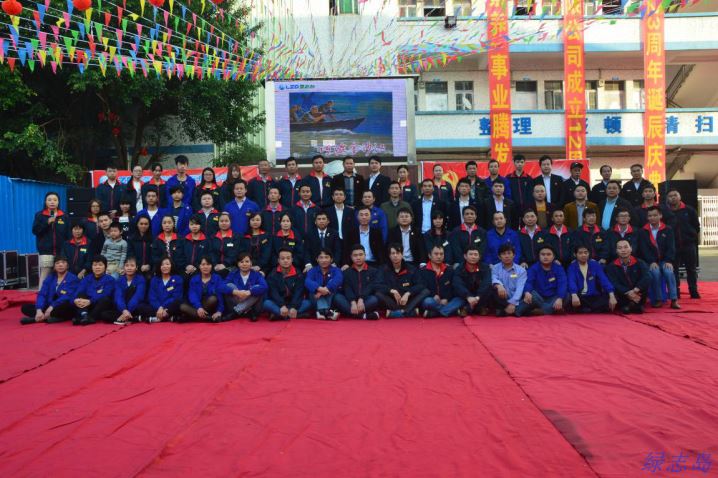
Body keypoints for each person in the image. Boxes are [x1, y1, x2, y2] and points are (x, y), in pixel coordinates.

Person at [638, 206, 680, 309]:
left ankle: (674, 299)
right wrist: (651, 261)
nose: (652, 218)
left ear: (660, 216)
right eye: (650, 216)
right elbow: (643, 249)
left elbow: (671, 247)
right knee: (655, 273)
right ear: (647, 217)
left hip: (665, 260)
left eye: (655, 215)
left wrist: (669, 260)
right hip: (651, 261)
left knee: (669, 272)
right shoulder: (643, 231)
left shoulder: (668, 229)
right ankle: (658, 299)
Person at [20, 256, 78, 325]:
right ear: (54, 267)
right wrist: (39, 309)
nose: (60, 265)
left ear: (67, 265)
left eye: (63, 263)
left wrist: (52, 306)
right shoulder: (50, 277)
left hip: (61, 305)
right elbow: (42, 294)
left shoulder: (73, 278)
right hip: (49, 306)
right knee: (25, 307)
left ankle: (36, 319)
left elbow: (67, 296)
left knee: (67, 306)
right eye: (57, 263)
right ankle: (48, 317)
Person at [378, 243, 430, 318]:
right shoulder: (383, 269)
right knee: (378, 293)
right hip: (392, 301)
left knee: (425, 291)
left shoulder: (411, 269)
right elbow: (377, 285)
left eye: (398, 253)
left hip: (408, 301)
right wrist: (391, 291)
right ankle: (409, 312)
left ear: (402, 254)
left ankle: (398, 313)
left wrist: (408, 293)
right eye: (393, 253)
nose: (395, 255)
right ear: (389, 256)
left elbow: (421, 284)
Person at [666, 189, 700, 299]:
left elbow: (696, 226)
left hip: (688, 245)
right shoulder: (666, 212)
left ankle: (693, 290)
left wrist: (691, 236)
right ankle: (676, 292)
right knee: (674, 270)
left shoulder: (689, 210)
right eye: (670, 196)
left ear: (680, 197)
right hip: (673, 246)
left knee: (691, 269)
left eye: (675, 195)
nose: (673, 198)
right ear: (667, 199)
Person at [335, 244, 384, 319]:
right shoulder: (346, 272)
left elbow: (370, 287)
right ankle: (363, 315)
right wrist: (353, 302)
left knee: (375, 299)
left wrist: (361, 299)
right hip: (350, 301)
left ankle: (352, 314)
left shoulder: (373, 271)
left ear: (365, 255)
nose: (358, 258)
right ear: (351, 257)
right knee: (337, 297)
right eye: (355, 255)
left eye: (361, 255)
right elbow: (347, 288)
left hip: (366, 300)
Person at [516, 246, 567, 317]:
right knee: (531, 294)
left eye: (548, 254)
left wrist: (560, 298)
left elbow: (562, 284)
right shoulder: (533, 268)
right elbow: (528, 282)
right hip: (538, 297)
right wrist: (527, 292)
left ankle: (541, 311)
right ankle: (549, 310)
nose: (545, 257)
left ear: (553, 257)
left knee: (567, 295)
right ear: (539, 256)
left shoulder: (559, 268)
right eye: (543, 254)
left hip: (553, 297)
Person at [33, 191, 70, 285]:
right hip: (46, 251)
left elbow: (68, 234)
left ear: (58, 202)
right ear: (45, 202)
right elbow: (35, 231)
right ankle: (42, 293)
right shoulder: (40, 215)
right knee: (45, 274)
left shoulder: (64, 216)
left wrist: (67, 249)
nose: (52, 202)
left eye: (55, 200)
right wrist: (47, 223)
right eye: (49, 200)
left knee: (61, 275)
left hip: (61, 251)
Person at [263, 248, 311, 321]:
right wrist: (282, 305)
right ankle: (296, 315)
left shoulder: (298, 274)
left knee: (308, 303)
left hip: (293, 303)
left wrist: (294, 307)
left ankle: (280, 315)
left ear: (292, 260)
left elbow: (299, 292)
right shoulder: (272, 274)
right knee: (266, 303)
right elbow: (273, 293)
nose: (285, 260)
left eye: (288, 258)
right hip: (278, 304)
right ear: (278, 260)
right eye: (282, 258)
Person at [605, 239, 651, 314]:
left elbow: (647, 276)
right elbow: (614, 282)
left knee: (645, 283)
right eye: (620, 248)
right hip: (623, 295)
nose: (623, 250)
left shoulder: (640, 262)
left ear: (631, 248)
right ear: (616, 251)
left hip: (638, 293)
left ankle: (632, 305)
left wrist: (636, 289)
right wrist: (627, 292)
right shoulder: (611, 266)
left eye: (626, 247)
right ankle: (632, 305)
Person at [567, 245, 617, 313]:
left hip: (594, 296)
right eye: (580, 253)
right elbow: (571, 282)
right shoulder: (572, 266)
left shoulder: (594, 264)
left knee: (612, 297)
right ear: (575, 254)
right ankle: (592, 309)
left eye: (586, 252)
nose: (583, 255)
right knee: (569, 299)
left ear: (589, 253)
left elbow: (604, 280)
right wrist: (574, 294)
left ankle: (588, 309)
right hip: (580, 296)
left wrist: (611, 295)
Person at [418, 245, 463, 318]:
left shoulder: (449, 270)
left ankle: (435, 313)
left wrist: (447, 299)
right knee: (428, 301)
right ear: (429, 255)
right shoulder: (422, 271)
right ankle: (450, 311)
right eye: (436, 254)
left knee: (460, 299)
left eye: (441, 254)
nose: (439, 256)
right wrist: (433, 295)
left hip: (447, 301)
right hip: (431, 299)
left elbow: (454, 287)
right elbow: (421, 288)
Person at [100, 257, 148, 324]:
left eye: (132, 266)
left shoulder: (140, 279)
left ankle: (123, 318)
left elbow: (138, 296)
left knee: (143, 308)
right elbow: (118, 297)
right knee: (104, 314)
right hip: (122, 309)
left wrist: (128, 310)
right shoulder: (119, 280)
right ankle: (133, 318)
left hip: (135, 307)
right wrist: (124, 310)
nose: (129, 268)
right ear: (124, 268)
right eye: (127, 266)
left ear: (136, 268)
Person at [221, 253, 269, 321]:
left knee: (257, 288)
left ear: (251, 263)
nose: (244, 264)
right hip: (236, 301)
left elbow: (265, 286)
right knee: (229, 285)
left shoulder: (257, 274)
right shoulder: (233, 274)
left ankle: (237, 311)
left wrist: (250, 292)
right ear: (238, 264)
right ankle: (244, 310)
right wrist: (236, 292)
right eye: (241, 262)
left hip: (253, 307)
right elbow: (222, 286)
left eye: (247, 261)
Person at [72, 255, 116, 326]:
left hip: (99, 305)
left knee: (105, 299)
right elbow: (79, 290)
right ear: (92, 267)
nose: (97, 267)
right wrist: (75, 300)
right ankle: (84, 316)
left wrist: (90, 301)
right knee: (80, 295)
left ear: (105, 267)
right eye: (95, 265)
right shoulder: (87, 278)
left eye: (100, 265)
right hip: (87, 304)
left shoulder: (110, 279)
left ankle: (88, 317)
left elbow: (106, 294)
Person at [180, 256, 225, 322]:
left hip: (211, 306)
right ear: (199, 266)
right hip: (197, 306)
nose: (205, 267)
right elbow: (192, 295)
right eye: (203, 264)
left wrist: (219, 311)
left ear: (212, 266)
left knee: (213, 299)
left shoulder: (217, 278)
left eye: (208, 264)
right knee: (182, 306)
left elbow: (221, 296)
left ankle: (193, 317)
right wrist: (199, 307)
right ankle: (209, 318)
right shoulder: (194, 279)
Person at [453, 245, 492, 317]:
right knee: (457, 294)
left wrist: (477, 297)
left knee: (489, 288)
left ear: (479, 257)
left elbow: (486, 283)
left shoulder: (485, 268)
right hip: (465, 296)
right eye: (470, 254)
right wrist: (468, 296)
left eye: (475, 255)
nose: (473, 257)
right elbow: (458, 284)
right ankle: (477, 308)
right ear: (465, 256)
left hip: (480, 296)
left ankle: (468, 308)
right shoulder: (459, 269)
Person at [490, 244, 527, 317]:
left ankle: (507, 310)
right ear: (499, 257)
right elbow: (494, 278)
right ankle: (512, 310)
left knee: (530, 297)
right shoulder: (495, 268)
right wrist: (499, 285)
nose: (507, 256)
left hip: (516, 299)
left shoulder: (521, 270)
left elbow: (520, 288)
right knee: (491, 288)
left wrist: (513, 303)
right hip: (501, 299)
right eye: (504, 254)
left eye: (509, 253)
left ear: (514, 255)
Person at [305, 249, 343, 320]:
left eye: (326, 257)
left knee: (332, 292)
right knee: (313, 292)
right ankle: (327, 312)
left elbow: (338, 280)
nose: (324, 260)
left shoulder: (336, 270)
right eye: (321, 257)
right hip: (316, 297)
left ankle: (320, 312)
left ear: (331, 259)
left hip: (330, 297)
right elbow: (307, 281)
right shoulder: (312, 270)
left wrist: (326, 289)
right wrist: (319, 288)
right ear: (317, 259)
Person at [146, 256, 184, 323]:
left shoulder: (178, 279)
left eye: (167, 264)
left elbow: (176, 297)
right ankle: (166, 317)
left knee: (179, 303)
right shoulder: (154, 279)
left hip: (170, 307)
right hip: (156, 307)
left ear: (171, 266)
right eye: (162, 265)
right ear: (159, 267)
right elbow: (152, 297)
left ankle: (158, 317)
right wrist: (159, 307)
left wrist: (162, 307)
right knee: (141, 307)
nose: (165, 266)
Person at [325, 189, 357, 259]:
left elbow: (353, 226)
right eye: (336, 194)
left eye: (341, 194)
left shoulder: (350, 211)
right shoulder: (327, 211)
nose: (338, 196)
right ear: (333, 197)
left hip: (347, 241)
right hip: (332, 241)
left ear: (344, 197)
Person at [181, 215, 210, 281]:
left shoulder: (206, 241)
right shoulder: (184, 240)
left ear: (200, 225)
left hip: (201, 270)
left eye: (196, 224)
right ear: (188, 226)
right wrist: (186, 266)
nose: (194, 226)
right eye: (192, 224)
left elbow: (208, 256)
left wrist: (196, 267)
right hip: (185, 269)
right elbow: (180, 255)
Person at [210, 212, 239, 278]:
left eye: (226, 221)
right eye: (221, 221)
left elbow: (235, 253)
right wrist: (215, 264)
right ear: (218, 222)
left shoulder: (236, 237)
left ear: (230, 222)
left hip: (231, 266)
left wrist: (225, 264)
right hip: (215, 266)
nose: (224, 223)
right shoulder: (213, 236)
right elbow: (211, 252)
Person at [127, 215, 154, 280]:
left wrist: (149, 265)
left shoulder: (153, 239)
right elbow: (130, 255)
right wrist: (139, 266)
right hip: (135, 269)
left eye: (146, 224)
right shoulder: (131, 239)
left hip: (150, 269)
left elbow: (154, 254)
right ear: (137, 224)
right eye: (141, 224)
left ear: (149, 225)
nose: (143, 226)